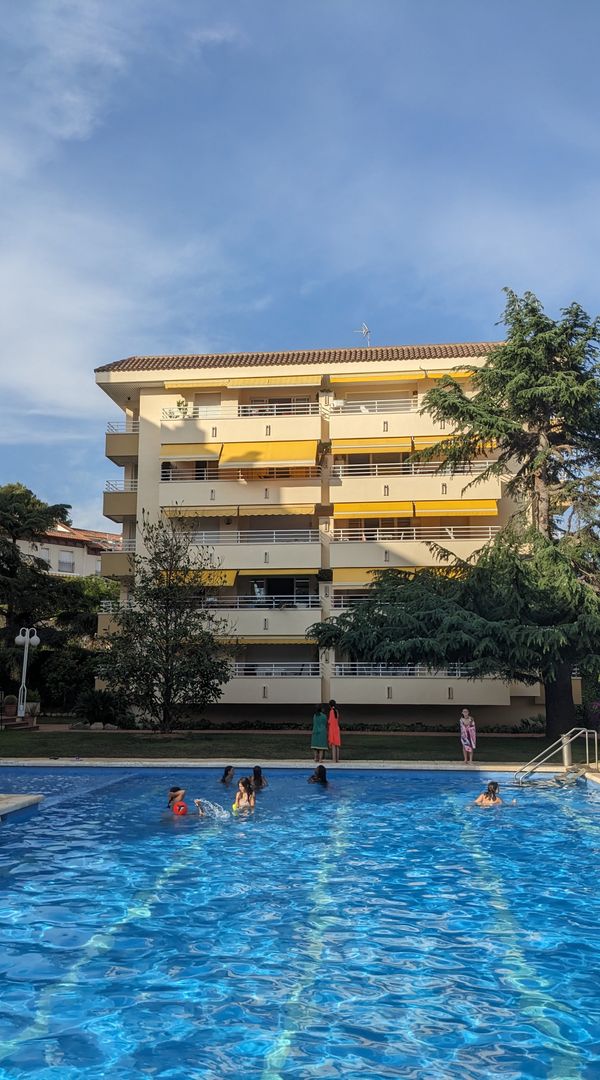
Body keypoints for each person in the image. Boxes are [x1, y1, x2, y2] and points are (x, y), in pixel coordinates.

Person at [327, 699, 341, 764]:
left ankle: (334, 759)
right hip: (337, 729)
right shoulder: (337, 711)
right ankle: (337, 759)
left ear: (330, 705)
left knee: (333, 745)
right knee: (337, 745)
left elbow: (329, 721)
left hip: (332, 729)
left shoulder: (331, 711)